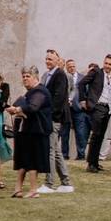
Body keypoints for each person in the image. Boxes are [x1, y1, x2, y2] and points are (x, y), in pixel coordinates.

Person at [6, 65, 51, 198]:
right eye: (23, 76)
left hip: (37, 131)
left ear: (35, 77)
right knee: (22, 159)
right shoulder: (30, 92)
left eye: (28, 76)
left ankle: (33, 190)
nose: (25, 79)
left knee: (32, 160)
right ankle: (17, 189)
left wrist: (17, 109)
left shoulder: (40, 91)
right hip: (26, 131)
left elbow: (33, 107)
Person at [39, 49, 73, 193]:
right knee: (56, 151)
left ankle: (49, 183)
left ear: (57, 60)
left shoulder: (59, 75)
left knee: (50, 151)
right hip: (49, 117)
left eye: (51, 59)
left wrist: (49, 115)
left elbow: (58, 99)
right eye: (46, 59)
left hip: (54, 118)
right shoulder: (48, 75)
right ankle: (66, 182)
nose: (48, 61)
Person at [78, 55, 111, 172]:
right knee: (95, 135)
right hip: (97, 106)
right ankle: (90, 164)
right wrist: (83, 99)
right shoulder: (96, 72)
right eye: (106, 63)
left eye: (110, 64)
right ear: (103, 63)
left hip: (107, 108)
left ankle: (95, 162)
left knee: (101, 136)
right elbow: (81, 83)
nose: (107, 66)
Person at [63, 59, 90, 161]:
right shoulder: (64, 77)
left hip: (79, 109)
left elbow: (86, 92)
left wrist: (85, 104)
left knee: (80, 133)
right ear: (66, 68)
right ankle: (65, 154)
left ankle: (81, 154)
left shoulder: (82, 78)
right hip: (66, 109)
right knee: (65, 132)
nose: (72, 68)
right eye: (69, 66)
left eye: (73, 66)